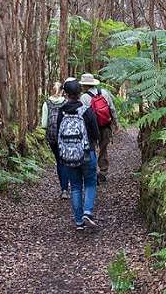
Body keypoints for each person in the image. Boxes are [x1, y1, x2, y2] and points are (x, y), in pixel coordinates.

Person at [56, 79, 100, 230]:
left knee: (75, 186)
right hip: (87, 153)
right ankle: (87, 211)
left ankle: (79, 222)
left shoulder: (61, 112)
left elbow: (58, 135)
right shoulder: (86, 110)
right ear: (80, 93)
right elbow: (95, 132)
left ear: (66, 94)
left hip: (68, 156)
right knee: (90, 182)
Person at [79, 73, 118, 183]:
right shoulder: (104, 93)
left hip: (90, 129)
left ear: (84, 85)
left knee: (91, 149)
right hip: (105, 126)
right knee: (103, 149)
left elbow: (82, 114)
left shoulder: (84, 97)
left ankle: (92, 172)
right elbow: (112, 109)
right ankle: (103, 172)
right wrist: (116, 124)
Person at [41, 81, 69, 199]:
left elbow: (44, 124)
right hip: (65, 136)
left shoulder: (46, 103)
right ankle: (65, 188)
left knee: (59, 161)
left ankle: (63, 188)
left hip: (52, 137)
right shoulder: (66, 102)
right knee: (65, 161)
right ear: (62, 91)